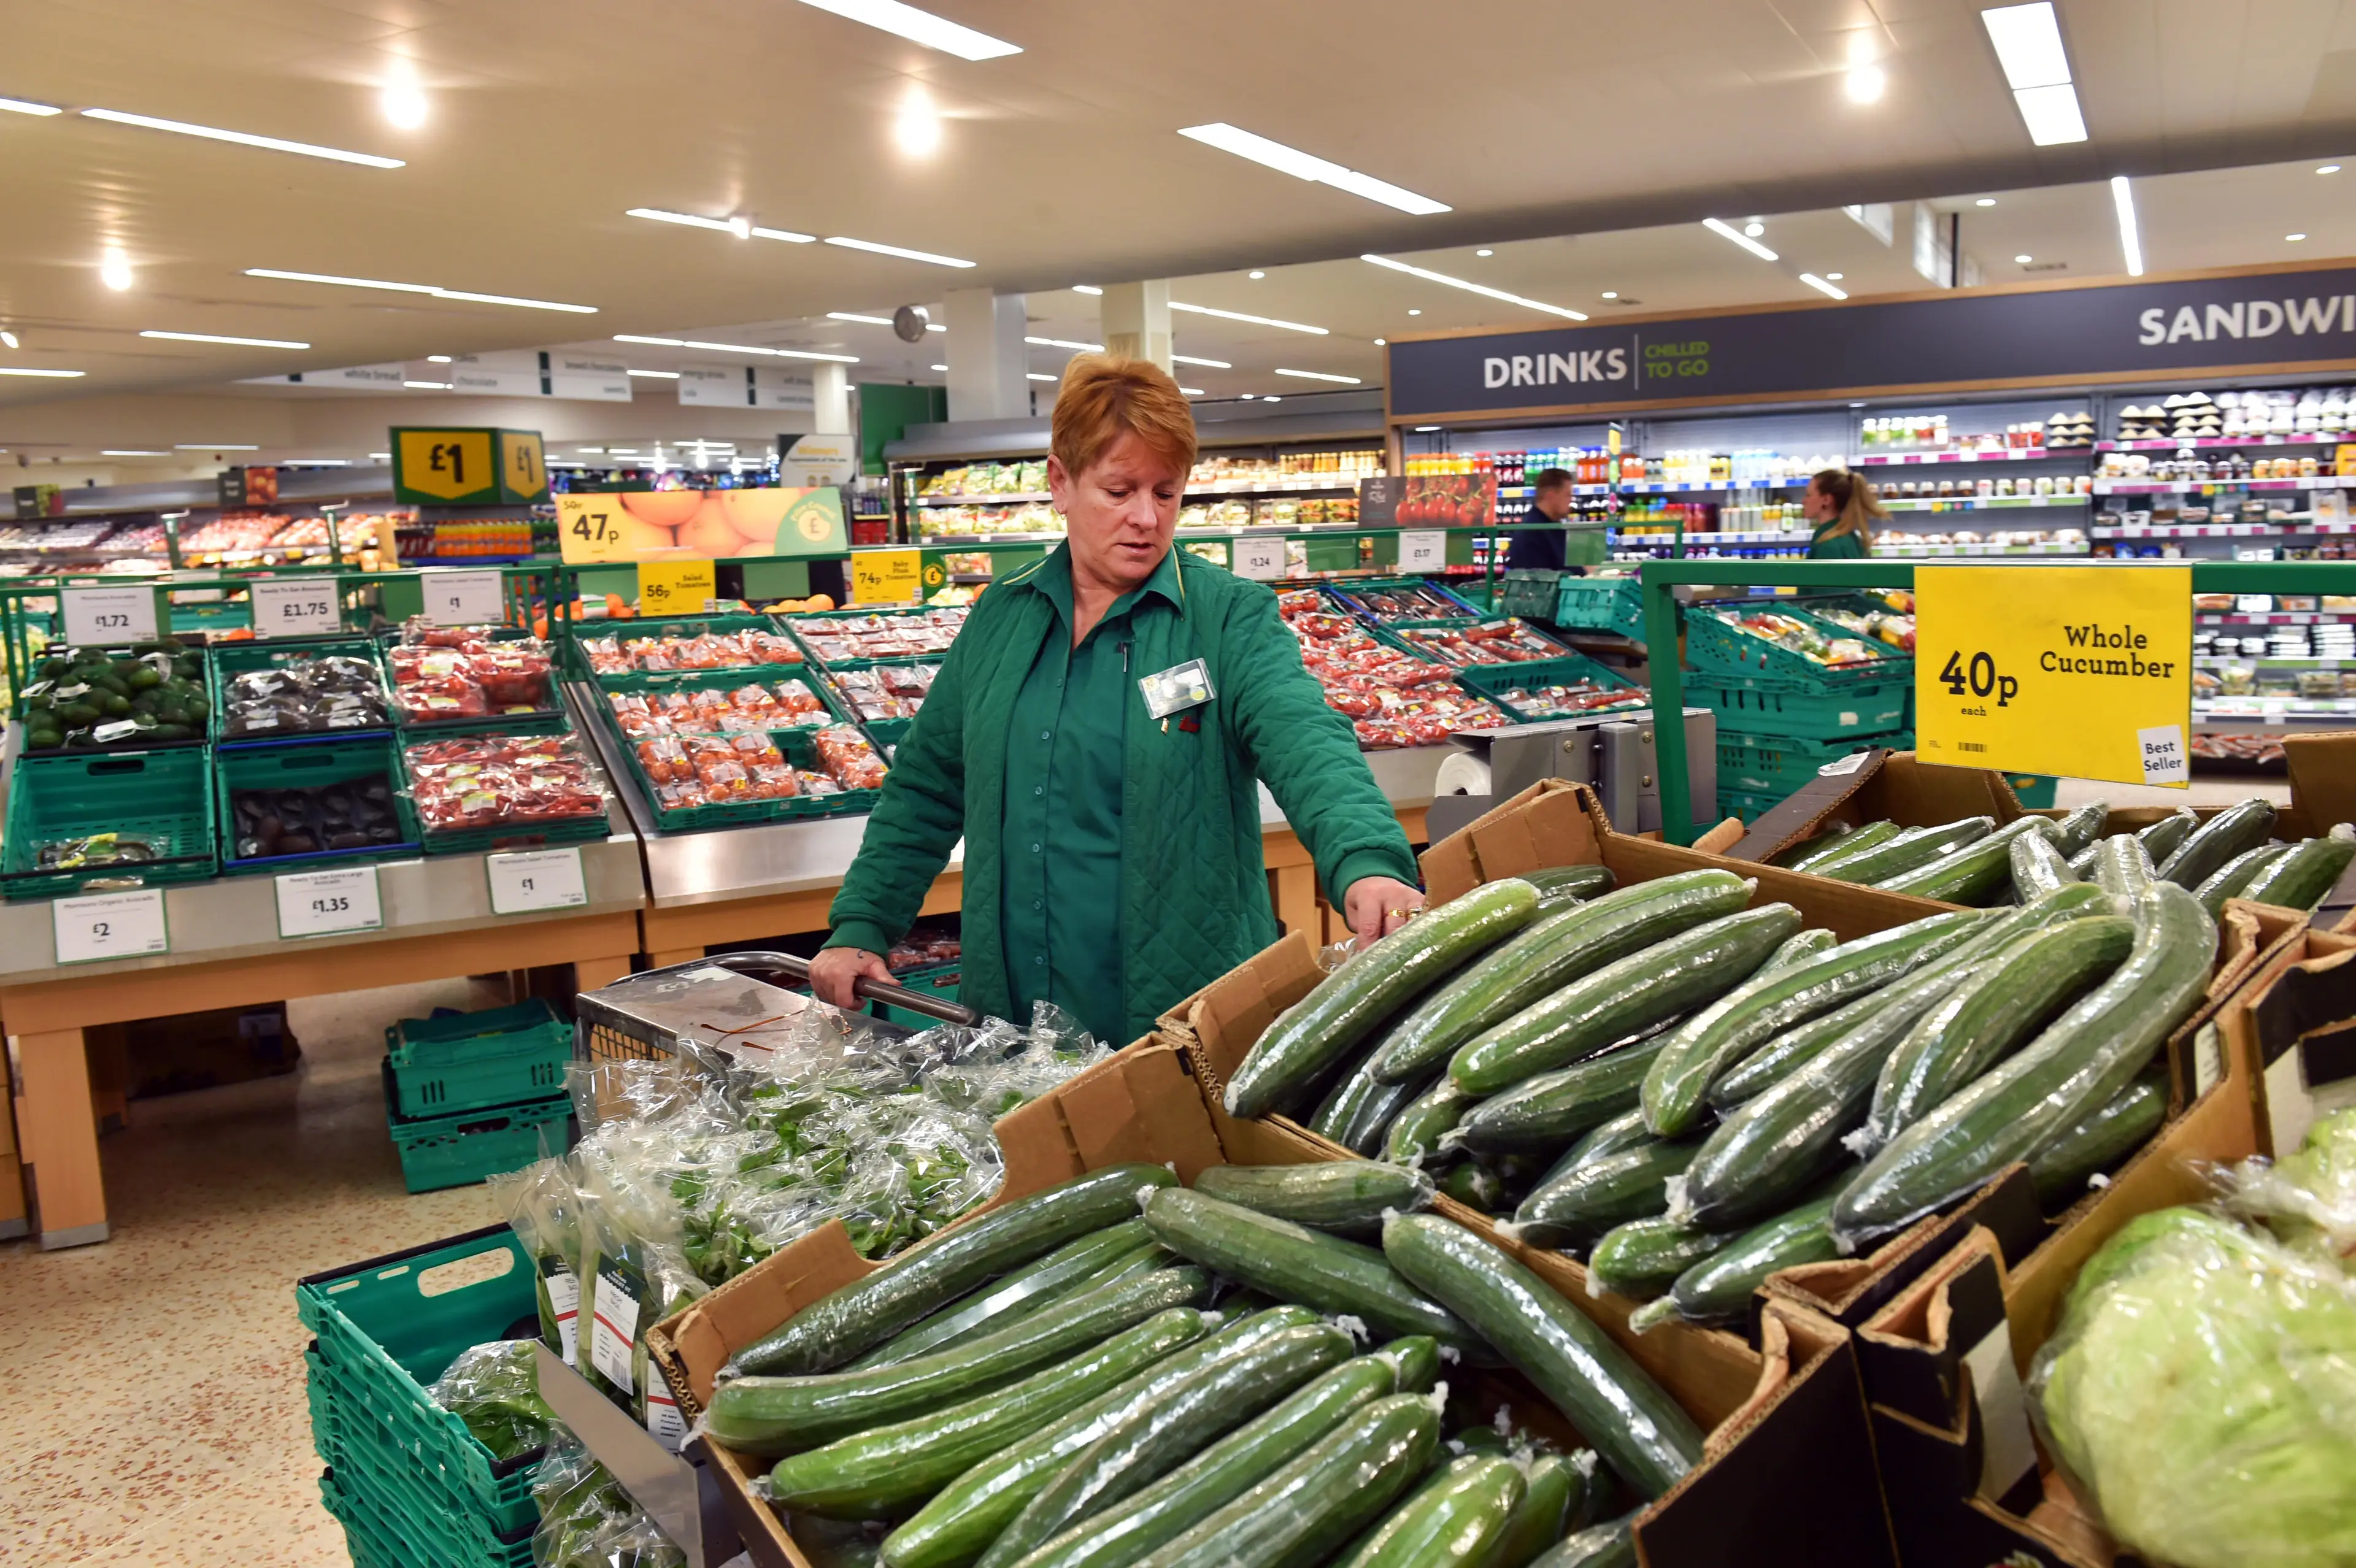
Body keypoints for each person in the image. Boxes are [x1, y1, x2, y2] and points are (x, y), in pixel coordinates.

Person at [809, 355, 1426, 1047]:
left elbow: (1308, 741)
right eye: (1120, 489)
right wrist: (864, 920)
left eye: (1166, 493)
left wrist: (1368, 862)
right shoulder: (1001, 619)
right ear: (1060, 482)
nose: (1145, 518)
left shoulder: (1226, 619)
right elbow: (927, 785)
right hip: (1013, 1023)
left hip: (1185, 1026)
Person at [1505, 467, 1603, 574]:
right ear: (1551, 496)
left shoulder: (1551, 526)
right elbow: (1543, 581)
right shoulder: (1533, 532)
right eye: (1567, 495)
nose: (1571, 500)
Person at [1801, 467, 1885, 559]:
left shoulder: (1829, 546)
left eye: (1808, 495)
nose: (1804, 501)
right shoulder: (1850, 536)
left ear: (1826, 500)